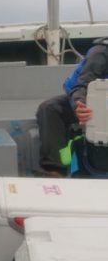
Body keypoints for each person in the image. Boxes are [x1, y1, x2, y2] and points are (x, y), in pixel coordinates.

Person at [35, 37, 108, 176]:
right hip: (93, 105)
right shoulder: (101, 53)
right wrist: (80, 106)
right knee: (50, 108)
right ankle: (55, 170)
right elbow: (82, 85)